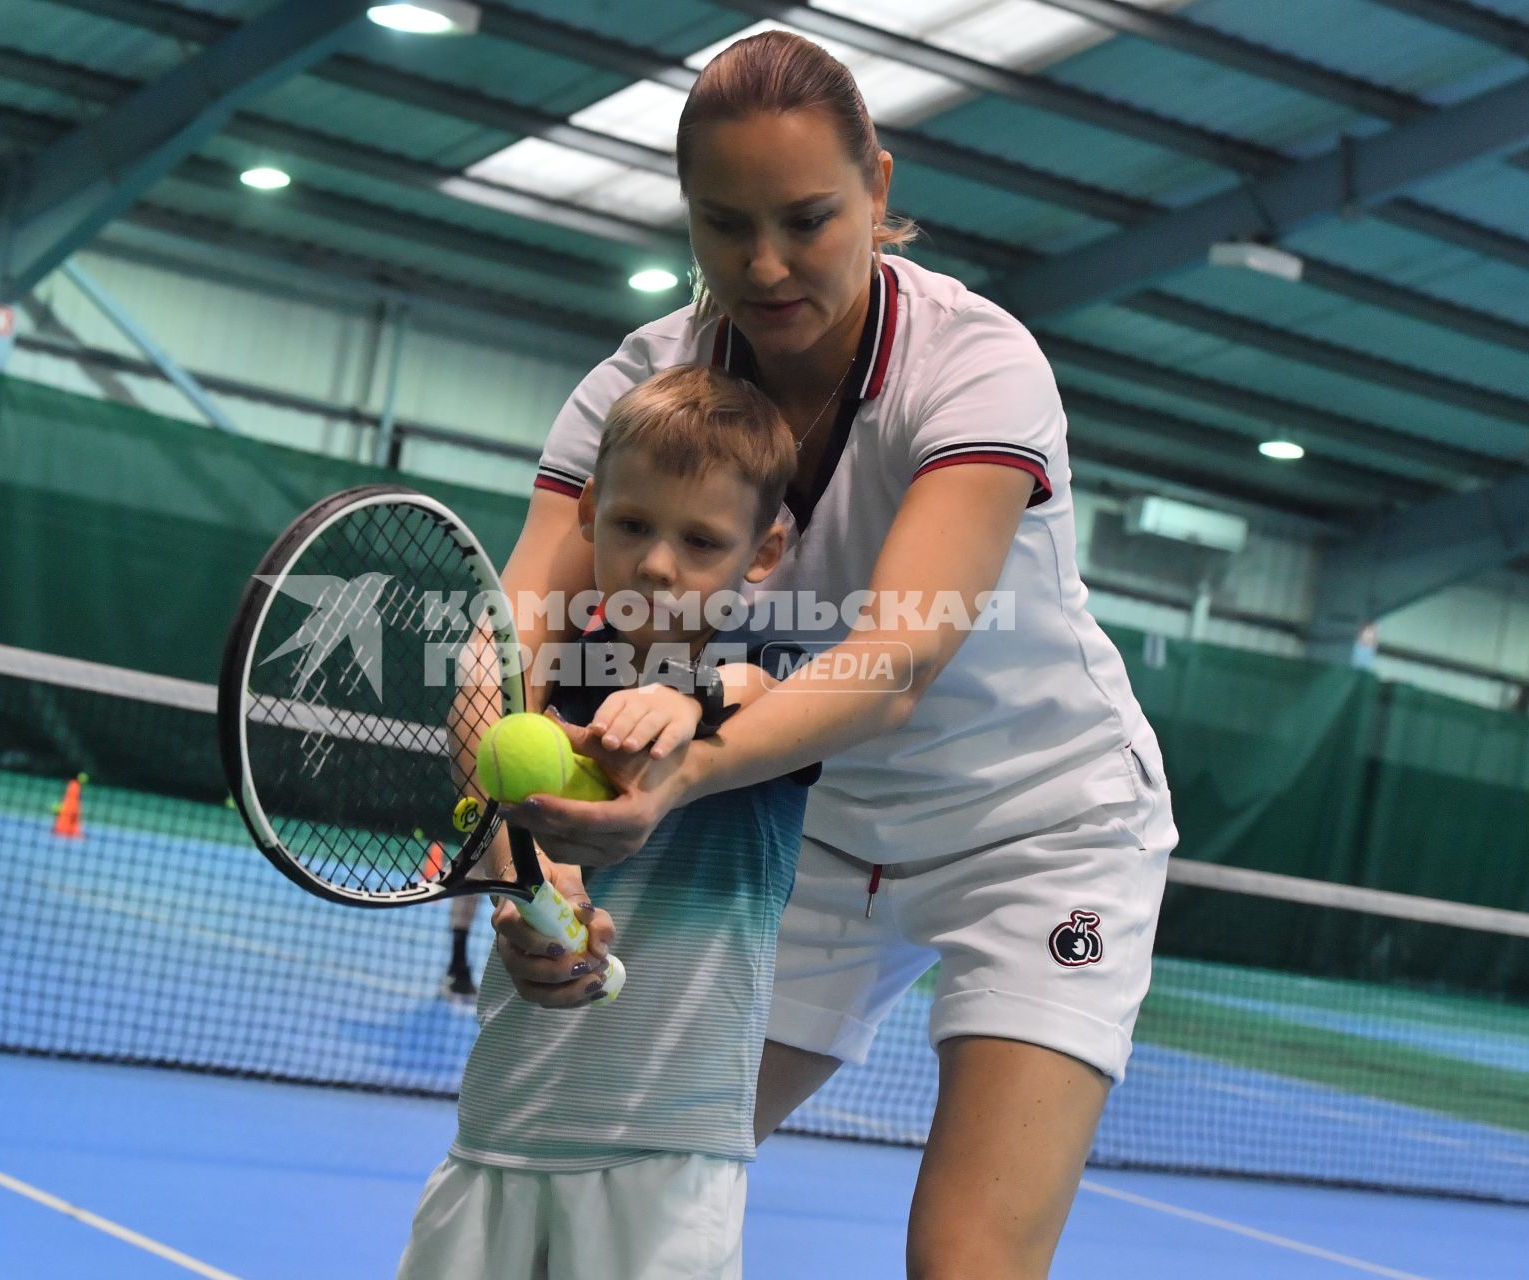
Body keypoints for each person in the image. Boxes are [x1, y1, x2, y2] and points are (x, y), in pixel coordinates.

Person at [492, 30, 1177, 1280]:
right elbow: (509, 653)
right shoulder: (641, 389)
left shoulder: (974, 366)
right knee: (610, 1173)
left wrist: (687, 770)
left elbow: (897, 657)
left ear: (880, 189)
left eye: (807, 219)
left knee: (965, 1257)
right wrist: (529, 875)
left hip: (1039, 828)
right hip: (813, 841)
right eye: (723, 223)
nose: (764, 264)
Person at [397, 365, 817, 1280]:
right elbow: (495, 811)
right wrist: (536, 887)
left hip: (670, 1159)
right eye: (632, 526)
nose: (659, 563)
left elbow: (768, 696)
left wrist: (693, 701)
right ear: (588, 514)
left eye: (701, 540)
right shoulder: (540, 702)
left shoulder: (773, 667)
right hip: (501, 1132)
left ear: (764, 551)